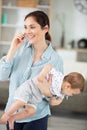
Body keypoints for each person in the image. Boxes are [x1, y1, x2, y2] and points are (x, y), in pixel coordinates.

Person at [0, 10, 64, 130]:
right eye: (25, 27)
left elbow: (58, 94)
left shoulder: (55, 60)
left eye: (32, 27)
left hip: (36, 117)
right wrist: (12, 49)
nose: (27, 31)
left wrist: (53, 96)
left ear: (45, 29)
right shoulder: (19, 48)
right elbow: (2, 76)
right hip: (12, 113)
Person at [0, 64, 85, 130]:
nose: (70, 96)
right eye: (72, 94)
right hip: (30, 88)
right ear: (68, 86)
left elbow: (53, 102)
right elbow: (48, 66)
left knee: (31, 111)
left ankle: (12, 118)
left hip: (35, 98)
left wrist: (56, 99)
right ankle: (6, 115)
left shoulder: (62, 94)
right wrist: (42, 75)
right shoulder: (58, 77)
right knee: (20, 102)